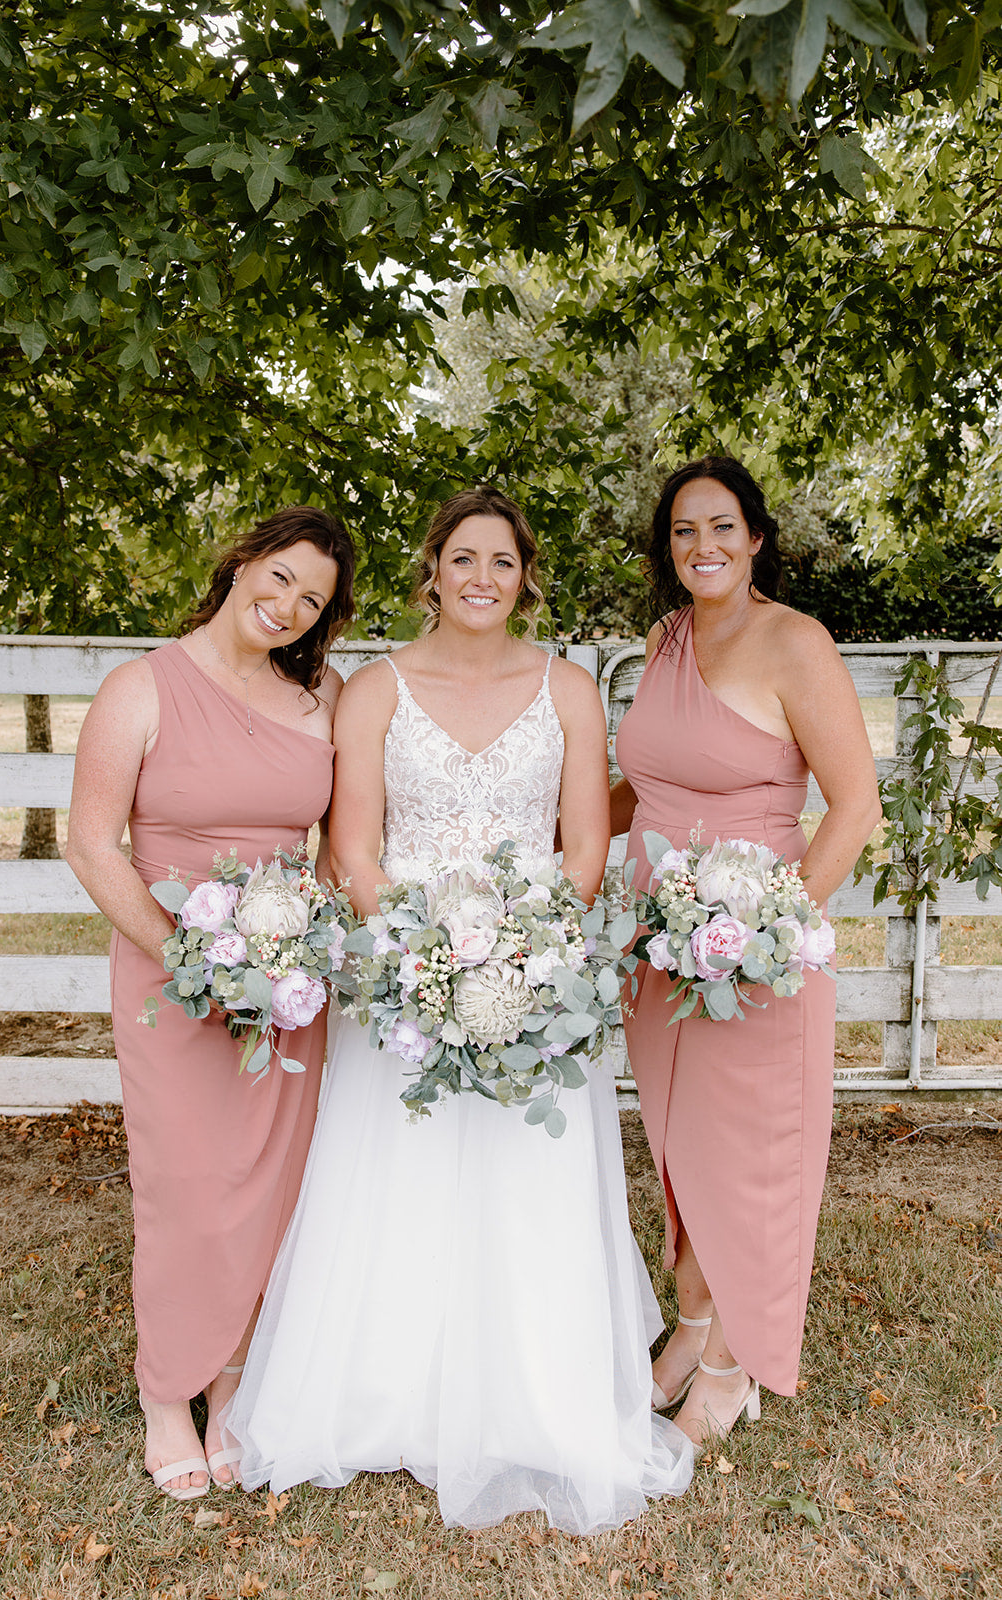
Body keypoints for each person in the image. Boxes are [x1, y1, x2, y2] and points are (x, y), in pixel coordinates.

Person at [225, 486, 694, 1529]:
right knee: (398, 1172)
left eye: (501, 560)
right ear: (430, 571)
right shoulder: (374, 691)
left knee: (523, 1181)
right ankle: (380, 1389)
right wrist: (418, 962)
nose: (481, 576)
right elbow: (351, 851)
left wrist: (520, 959)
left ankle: (533, 1394)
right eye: (461, 557)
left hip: (532, 976)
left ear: (526, 578)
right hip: (403, 979)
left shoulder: (567, 688)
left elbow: (581, 849)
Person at [65, 506, 355, 1500]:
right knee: (185, 1183)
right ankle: (165, 1392)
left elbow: (339, 842)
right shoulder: (140, 687)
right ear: (241, 560)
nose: (284, 605)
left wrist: (292, 941)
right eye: (276, 577)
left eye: (309, 598)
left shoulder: (322, 696)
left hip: (286, 982)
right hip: (169, 974)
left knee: (272, 1179)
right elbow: (92, 844)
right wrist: (183, 952)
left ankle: (232, 1387)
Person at [610, 457, 881, 1453]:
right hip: (658, 943)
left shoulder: (792, 642)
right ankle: (688, 1331)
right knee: (680, 1148)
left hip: (753, 947)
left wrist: (768, 932)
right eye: (682, 532)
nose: (702, 547)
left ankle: (731, 1368)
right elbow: (642, 785)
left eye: (720, 527)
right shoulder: (665, 638)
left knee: (748, 1159)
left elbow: (853, 808)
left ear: (755, 536)